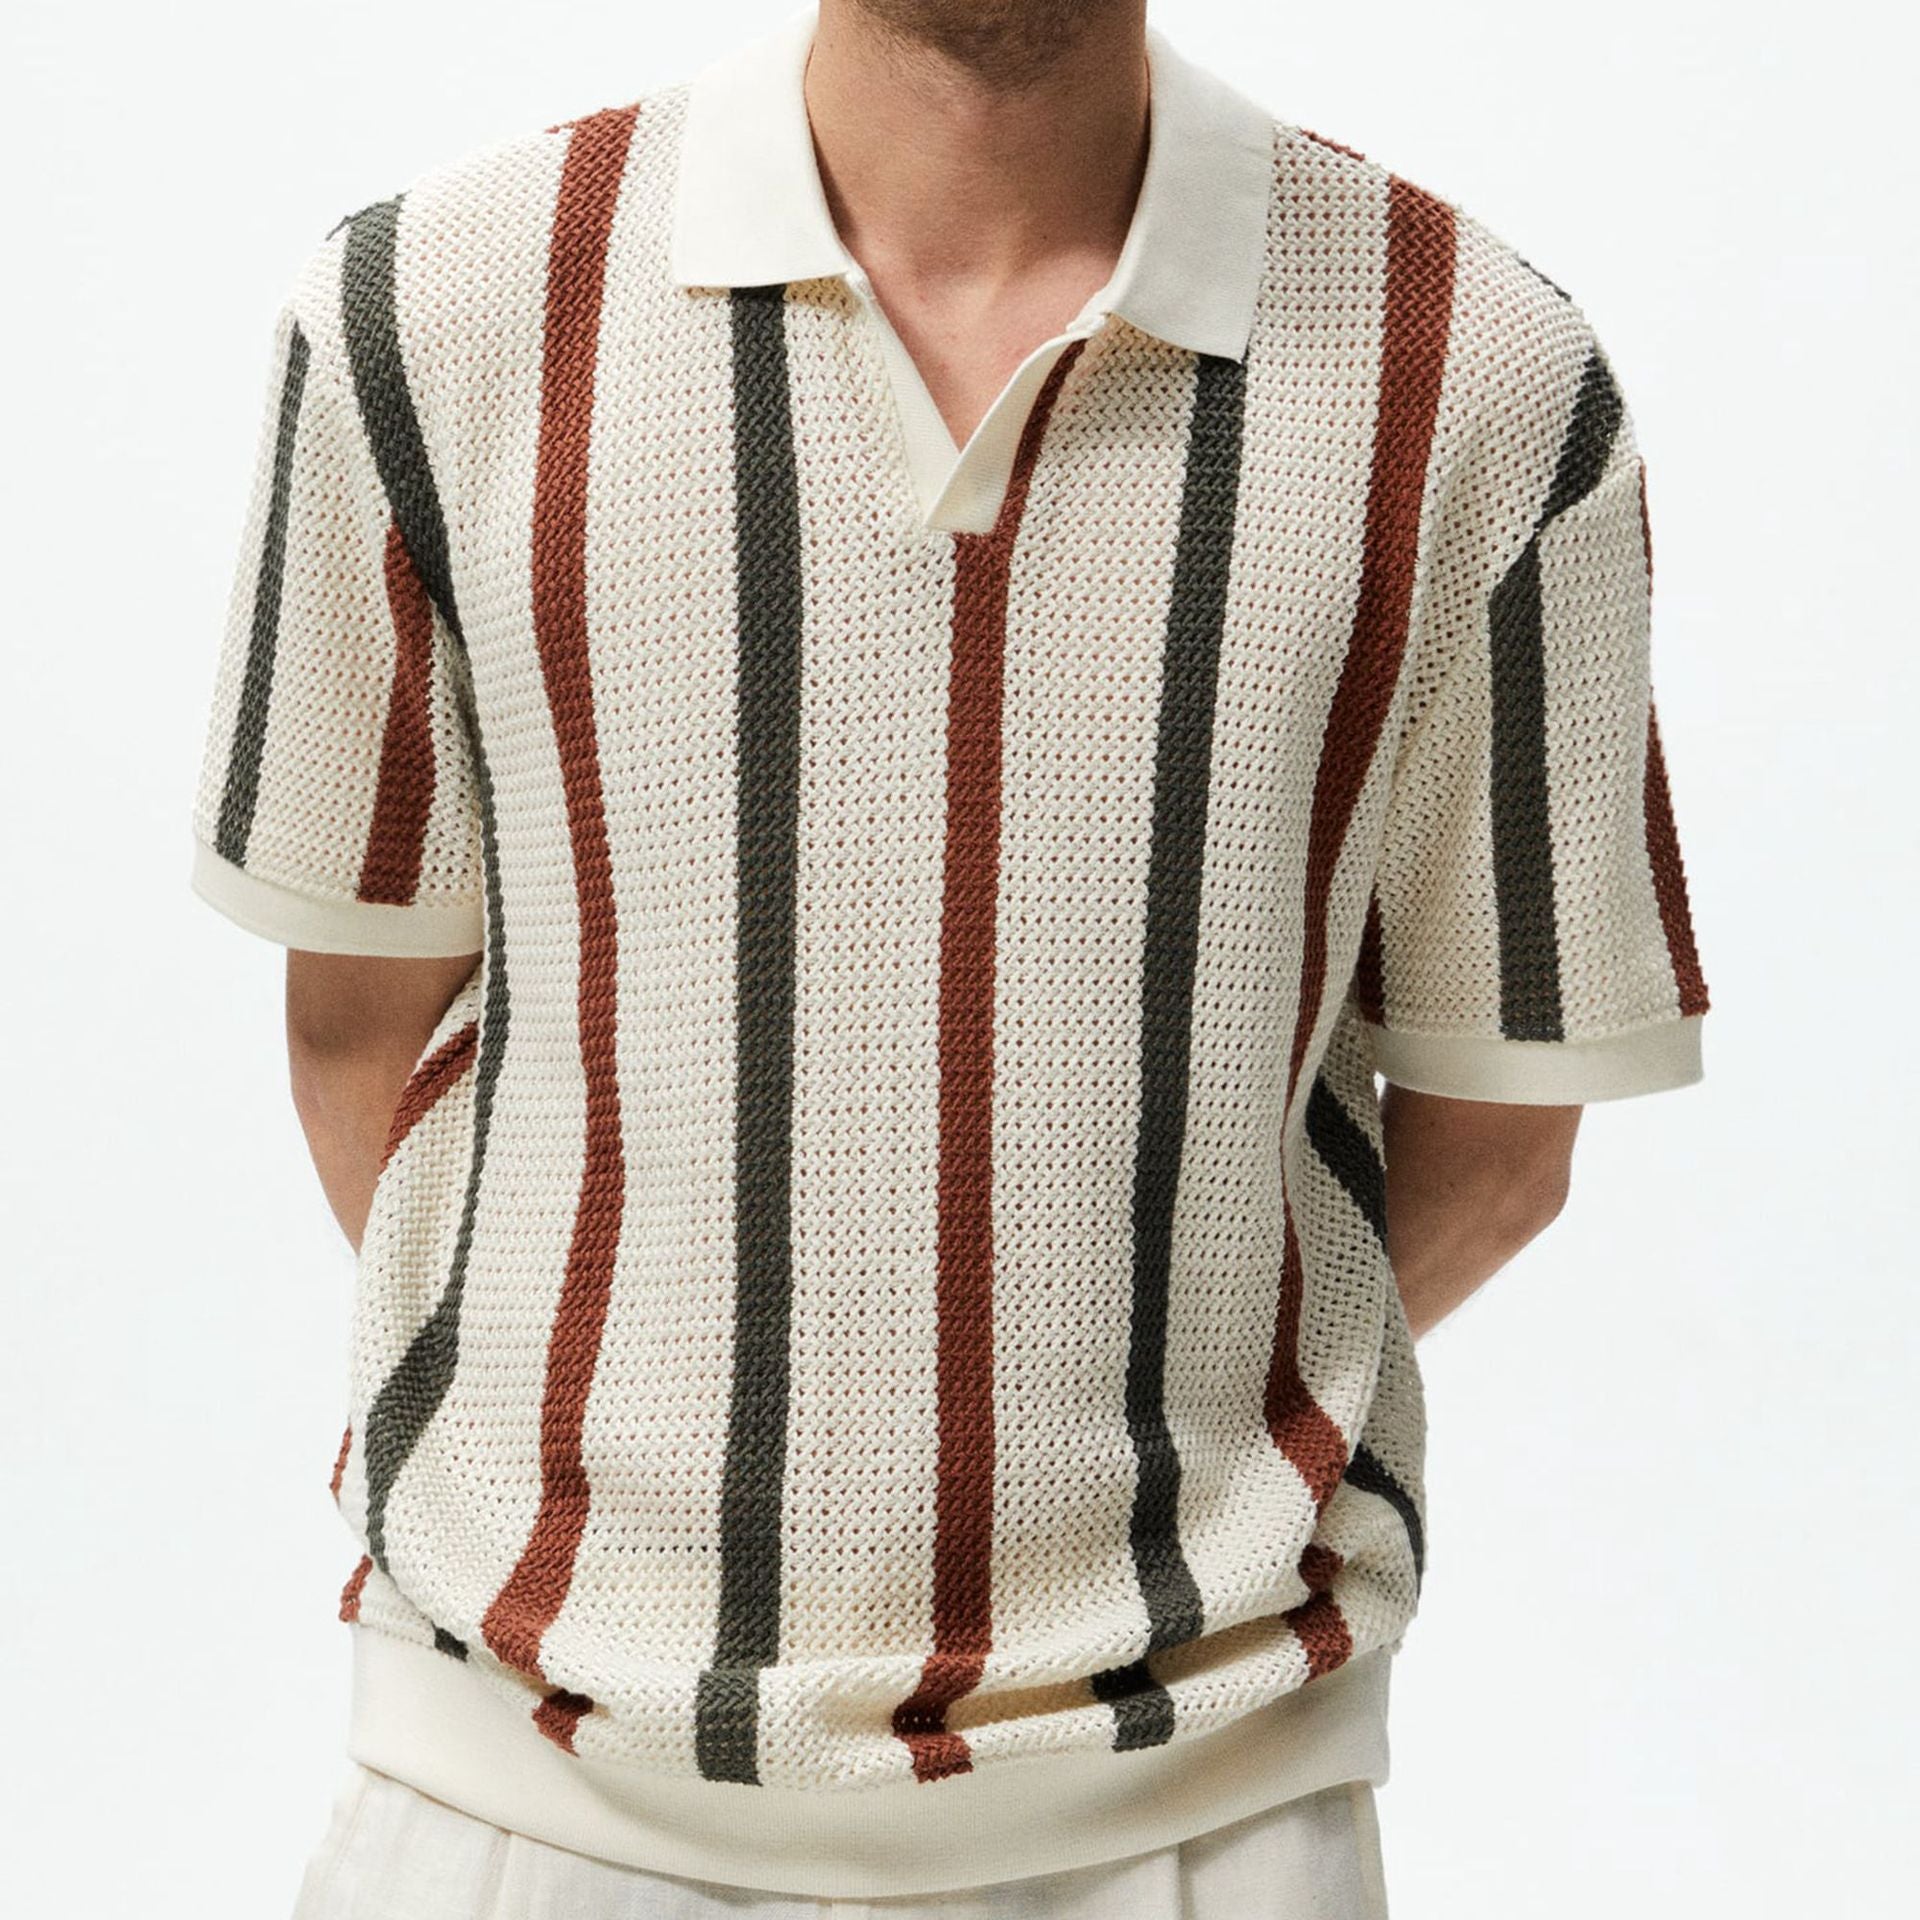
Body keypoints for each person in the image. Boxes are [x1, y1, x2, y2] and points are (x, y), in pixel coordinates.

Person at [186, 1, 1712, 1914]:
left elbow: (1501, 1141)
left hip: (1201, 1822)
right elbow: (358, 1031)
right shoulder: (429, 309)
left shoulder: (1477, 369)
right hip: (526, 1805)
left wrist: (1128, 1425)